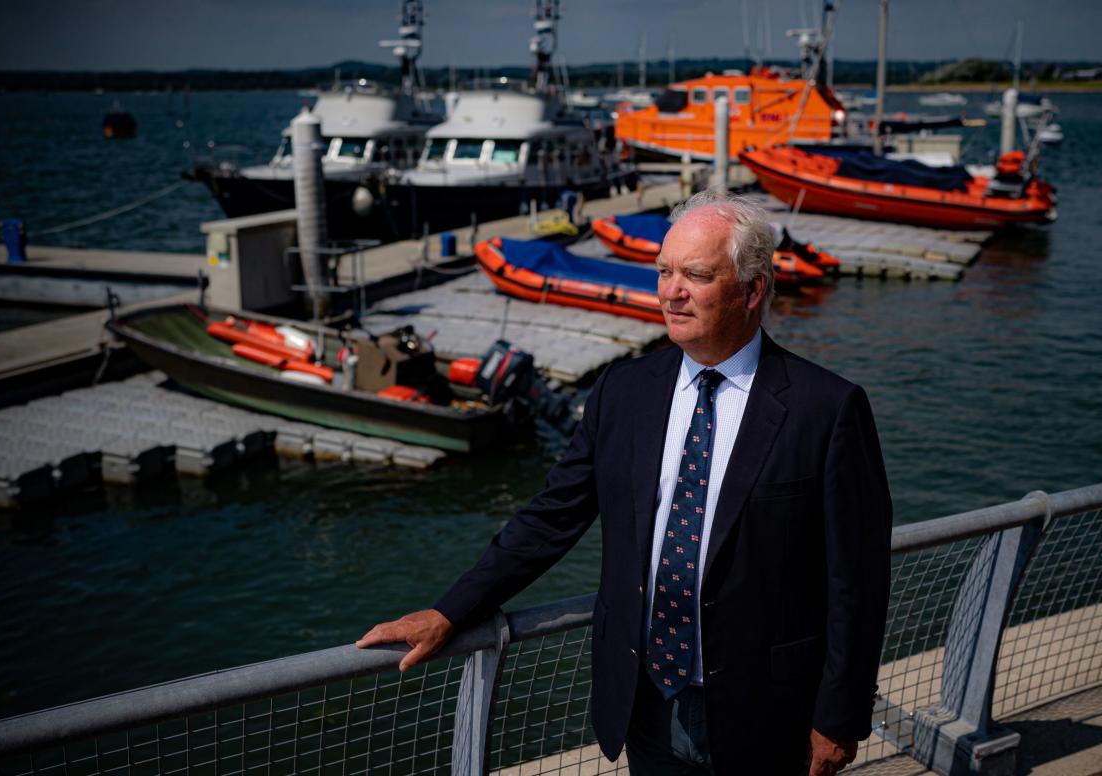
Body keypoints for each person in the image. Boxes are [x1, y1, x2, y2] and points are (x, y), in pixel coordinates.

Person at [358, 191, 892, 775]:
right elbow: (549, 518)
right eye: (664, 271)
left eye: (696, 274)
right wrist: (450, 611)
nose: (671, 291)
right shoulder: (624, 391)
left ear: (752, 290)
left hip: (770, 711)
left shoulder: (828, 408)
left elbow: (857, 581)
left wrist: (839, 717)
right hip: (648, 707)